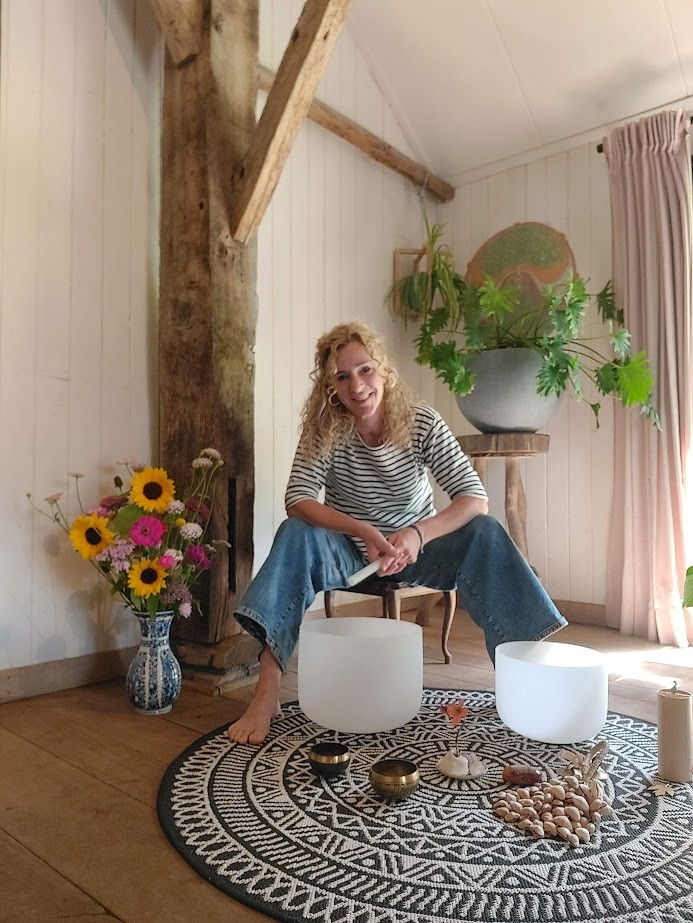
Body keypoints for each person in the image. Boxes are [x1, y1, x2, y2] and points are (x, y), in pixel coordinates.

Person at [227, 321, 567, 745]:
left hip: (420, 550)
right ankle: (268, 689)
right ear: (330, 386)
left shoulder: (421, 421)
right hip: (351, 553)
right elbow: (298, 499)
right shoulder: (324, 429)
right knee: (295, 531)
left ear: (384, 370)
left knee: (486, 531)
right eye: (342, 377)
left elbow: (474, 498)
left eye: (365, 370)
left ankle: (527, 680)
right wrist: (362, 530)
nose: (357, 386)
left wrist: (417, 535)